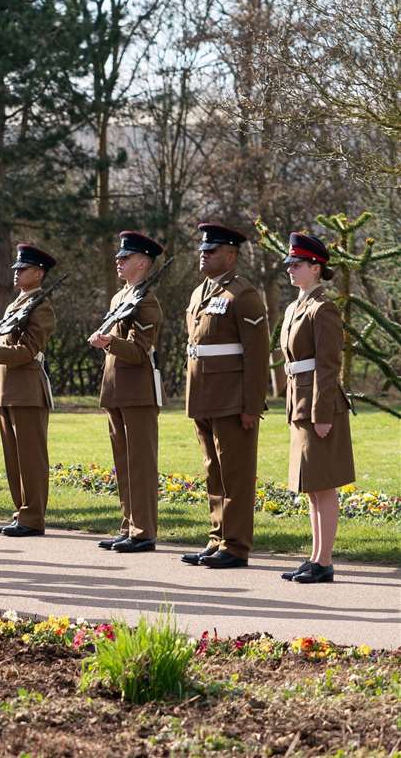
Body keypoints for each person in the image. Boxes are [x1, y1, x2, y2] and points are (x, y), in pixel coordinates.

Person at [181, 222, 270, 570]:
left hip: (232, 398)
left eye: (212, 250)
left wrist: (251, 405)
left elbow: (257, 355)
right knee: (212, 471)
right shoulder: (198, 293)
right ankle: (217, 537)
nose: (204, 254)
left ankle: (236, 544)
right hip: (203, 396)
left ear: (231, 255)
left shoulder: (243, 295)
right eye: (203, 249)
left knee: (235, 473)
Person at [279, 231, 355, 583]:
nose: (291, 270)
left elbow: (328, 365)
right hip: (301, 401)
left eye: (297, 264)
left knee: (323, 485)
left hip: (319, 405)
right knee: (311, 487)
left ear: (315, 267)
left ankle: (324, 561)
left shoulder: (323, 308)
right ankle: (314, 557)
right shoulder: (296, 306)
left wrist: (322, 413)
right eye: (290, 264)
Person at [89, 230, 165, 554]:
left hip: (137, 390)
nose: (118, 261)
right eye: (119, 256)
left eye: (126, 257)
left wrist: (110, 342)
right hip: (116, 389)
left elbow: (138, 351)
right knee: (123, 462)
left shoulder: (147, 302)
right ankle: (129, 525)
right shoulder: (120, 297)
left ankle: (144, 530)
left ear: (143, 263)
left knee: (140, 463)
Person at [0, 243, 57, 537]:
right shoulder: (17, 304)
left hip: (27, 388)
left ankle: (33, 516)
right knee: (13, 458)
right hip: (6, 388)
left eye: (23, 269)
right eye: (16, 269)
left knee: (30, 458)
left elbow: (28, 350)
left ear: (39, 273)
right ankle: (21, 511)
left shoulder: (41, 305)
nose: (16, 273)